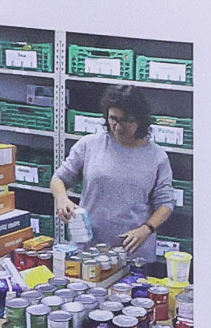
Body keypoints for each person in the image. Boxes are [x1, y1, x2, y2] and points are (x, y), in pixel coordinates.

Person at [56, 90, 179, 257]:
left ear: (141, 121)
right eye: (113, 118)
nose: (119, 127)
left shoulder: (157, 156)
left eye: (127, 121)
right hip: (88, 248)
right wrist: (63, 200)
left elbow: (166, 203)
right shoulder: (89, 145)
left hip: (133, 252)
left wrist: (146, 229)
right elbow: (59, 179)